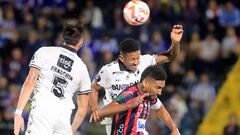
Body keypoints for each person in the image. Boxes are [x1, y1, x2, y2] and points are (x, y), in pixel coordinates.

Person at [90, 25, 183, 135]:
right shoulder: (108, 70)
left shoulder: (145, 61)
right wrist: (95, 109)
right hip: (115, 120)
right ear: (122, 58)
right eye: (132, 59)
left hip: (138, 117)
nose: (136, 62)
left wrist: (175, 43)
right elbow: (94, 87)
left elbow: (170, 56)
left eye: (138, 58)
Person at [14, 21, 91, 135]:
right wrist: (70, 131)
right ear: (81, 42)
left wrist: (18, 112)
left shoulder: (44, 52)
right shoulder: (83, 69)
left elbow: (30, 81)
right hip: (63, 117)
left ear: (63, 37)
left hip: (42, 111)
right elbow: (83, 109)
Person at [90, 65, 180, 135]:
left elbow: (159, 109)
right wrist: (130, 105)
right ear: (145, 83)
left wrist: (174, 128)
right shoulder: (129, 94)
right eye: (158, 87)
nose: (160, 92)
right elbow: (103, 112)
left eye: (161, 88)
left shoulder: (150, 95)